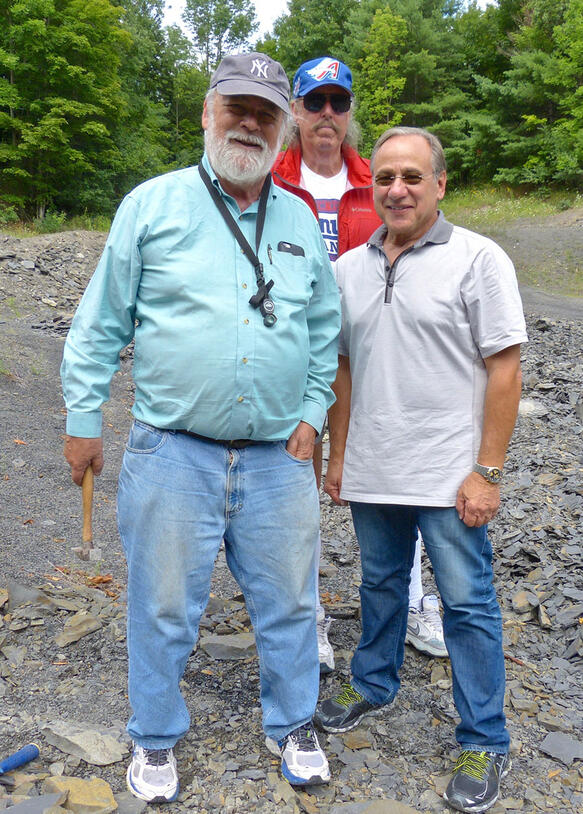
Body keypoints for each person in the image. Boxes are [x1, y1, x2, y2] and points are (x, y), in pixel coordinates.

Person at [60, 52, 341, 802]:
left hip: (279, 457)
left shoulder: (298, 222)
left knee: (289, 604)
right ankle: (154, 738)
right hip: (171, 450)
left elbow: (323, 329)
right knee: (160, 606)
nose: (248, 124)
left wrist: (314, 413)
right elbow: (98, 325)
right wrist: (83, 417)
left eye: (264, 114)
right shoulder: (150, 206)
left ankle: (292, 723)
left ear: (283, 129)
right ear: (207, 113)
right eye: (235, 108)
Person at [314, 127, 527, 814]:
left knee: (466, 606)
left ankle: (483, 737)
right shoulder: (347, 268)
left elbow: (504, 368)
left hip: (447, 474)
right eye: (383, 178)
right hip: (375, 466)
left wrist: (485, 471)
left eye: (411, 176)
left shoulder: (477, 260)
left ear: (439, 183)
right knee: (378, 585)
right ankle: (372, 683)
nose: (396, 190)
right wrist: (338, 454)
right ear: (369, 186)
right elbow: (343, 368)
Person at [272, 57, 447, 671]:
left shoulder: (381, 181)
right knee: (297, 484)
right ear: (294, 108)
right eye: (314, 102)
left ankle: (417, 600)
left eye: (337, 103)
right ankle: (309, 614)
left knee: (399, 472)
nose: (326, 115)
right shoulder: (269, 177)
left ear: (349, 112)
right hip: (291, 359)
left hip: (371, 358)